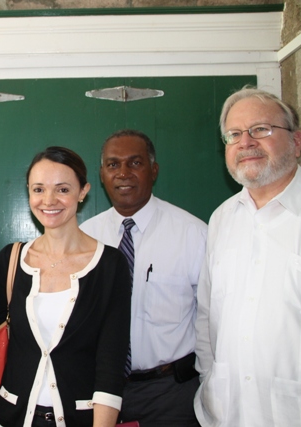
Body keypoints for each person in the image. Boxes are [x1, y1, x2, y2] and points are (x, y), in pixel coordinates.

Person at [0, 146, 131, 427]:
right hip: (9, 419)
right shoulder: (10, 259)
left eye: (62, 189)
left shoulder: (110, 265)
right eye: (38, 189)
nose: (48, 200)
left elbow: (111, 364)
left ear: (83, 191)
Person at [80, 130, 206, 427]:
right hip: (97, 392)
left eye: (135, 163)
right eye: (112, 165)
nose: (123, 173)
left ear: (154, 171)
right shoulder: (86, 236)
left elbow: (211, 321)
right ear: (101, 174)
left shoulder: (193, 234)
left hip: (170, 395)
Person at [194, 87, 301, 426]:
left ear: (297, 141)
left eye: (261, 130)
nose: (246, 142)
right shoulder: (221, 219)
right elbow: (207, 315)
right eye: (234, 134)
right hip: (225, 414)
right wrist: (208, 380)